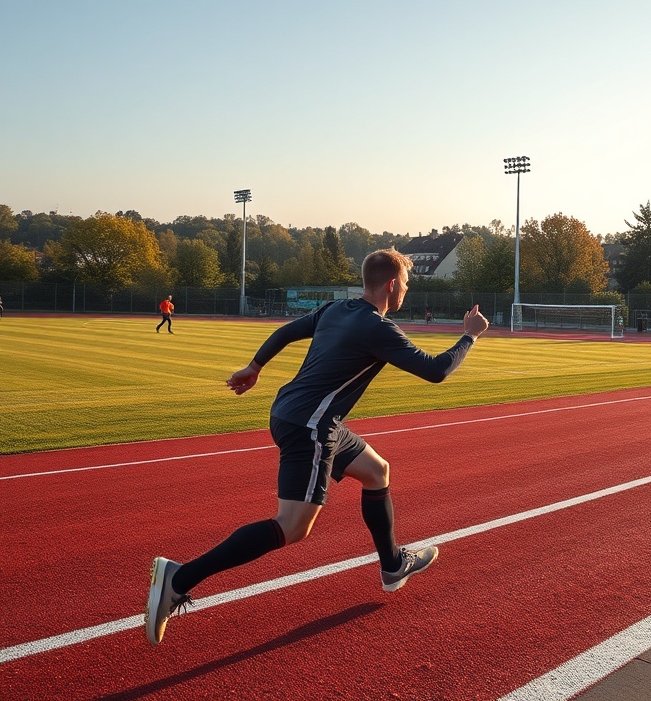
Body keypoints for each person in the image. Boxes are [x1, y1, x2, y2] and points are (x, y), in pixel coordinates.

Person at [145, 249, 490, 646]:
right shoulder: (378, 328)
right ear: (392, 284)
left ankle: (393, 565)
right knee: (293, 526)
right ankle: (180, 578)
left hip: (296, 413)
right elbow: (436, 370)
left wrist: (255, 367)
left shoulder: (335, 309)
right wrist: (470, 335)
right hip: (309, 425)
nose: (407, 290)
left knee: (377, 471)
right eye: (406, 284)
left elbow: (286, 332)